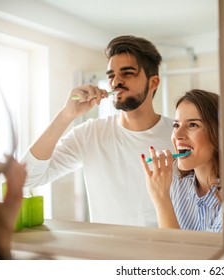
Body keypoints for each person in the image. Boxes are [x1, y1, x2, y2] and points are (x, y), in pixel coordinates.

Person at [22, 35, 174, 226]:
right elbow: (27, 179)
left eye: (127, 73)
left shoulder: (179, 136)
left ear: (153, 83)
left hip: (161, 253)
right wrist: (66, 116)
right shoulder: (89, 134)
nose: (115, 81)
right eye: (111, 75)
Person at [141, 89, 222, 232]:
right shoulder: (175, 182)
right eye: (176, 125)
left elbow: (179, 253)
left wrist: (161, 199)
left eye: (192, 125)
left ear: (218, 132)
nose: (177, 135)